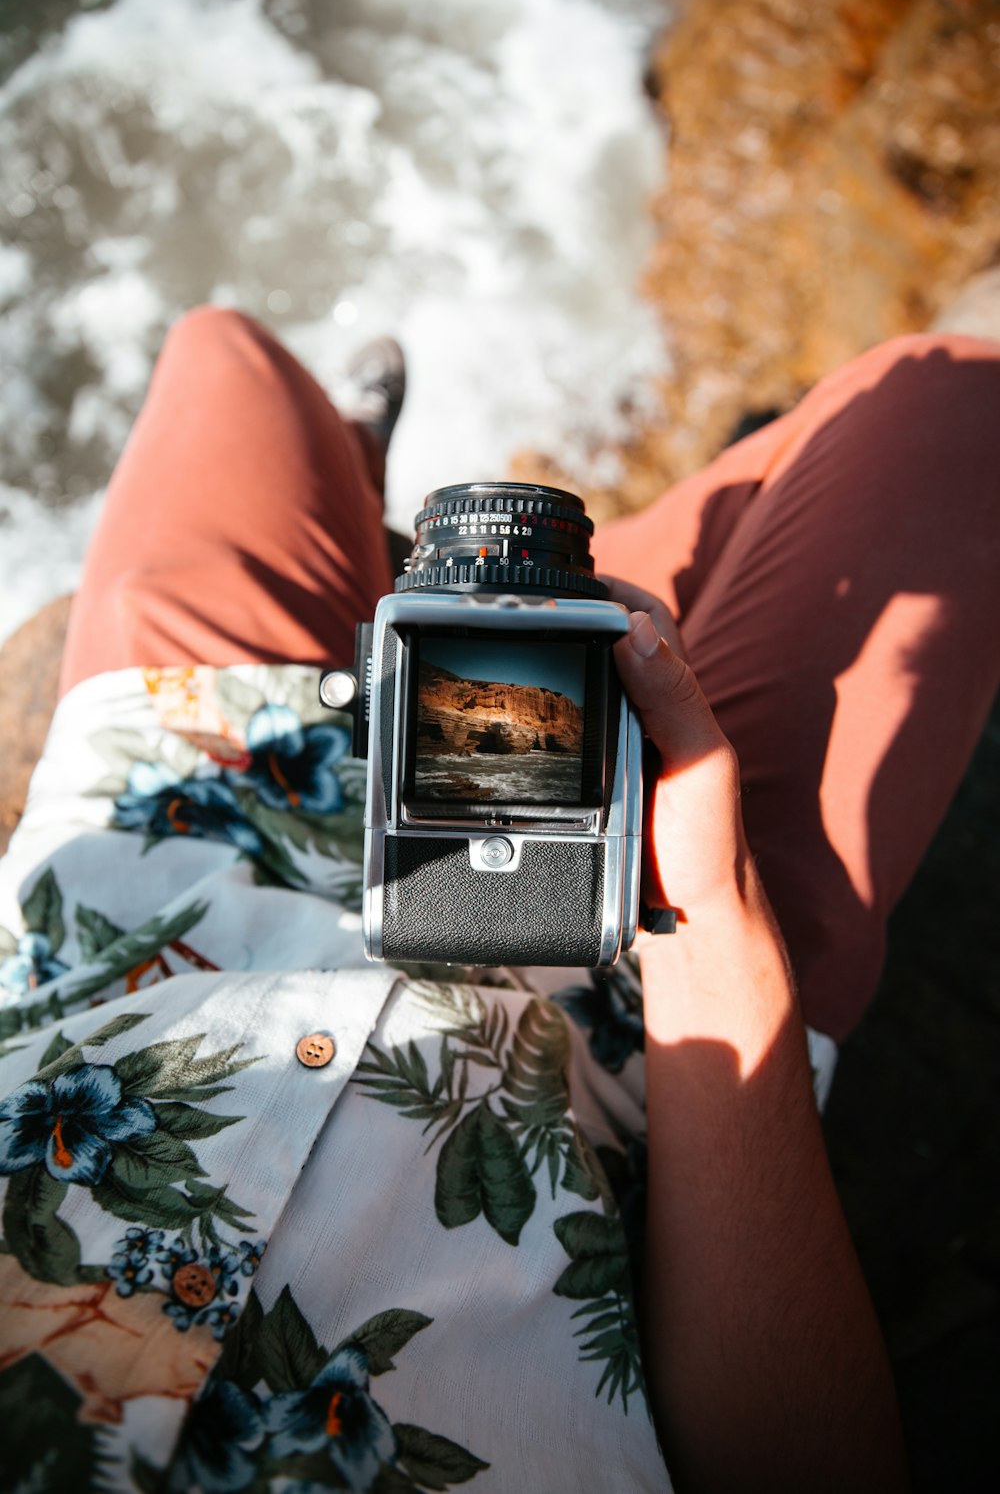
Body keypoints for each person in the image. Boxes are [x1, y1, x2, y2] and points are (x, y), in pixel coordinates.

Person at [1, 305, 997, 1494]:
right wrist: (711, 909)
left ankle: (448, 577)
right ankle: (551, 616)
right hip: (630, 1035)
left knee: (228, 352)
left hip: (174, 870)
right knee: (956, 404)